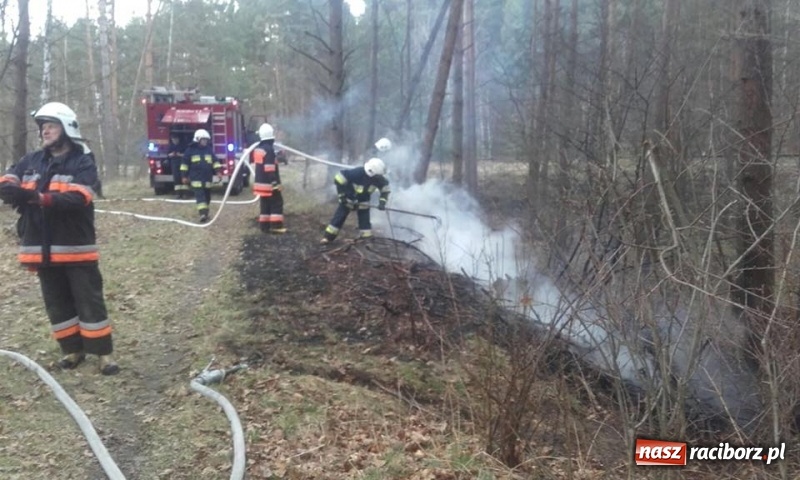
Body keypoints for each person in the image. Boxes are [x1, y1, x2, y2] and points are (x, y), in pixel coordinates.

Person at [0, 102, 119, 375]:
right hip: (40, 249)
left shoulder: (82, 162)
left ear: (67, 128)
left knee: (89, 301)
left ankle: (104, 355)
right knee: (57, 304)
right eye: (42, 127)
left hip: (75, 248)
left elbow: (79, 197)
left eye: (51, 126)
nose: (45, 131)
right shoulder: (31, 160)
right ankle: (73, 351)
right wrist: (11, 189)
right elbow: (9, 179)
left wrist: (39, 198)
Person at [321, 157, 390, 244]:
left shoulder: (379, 179)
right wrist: (342, 196)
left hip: (364, 201)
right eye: (377, 175)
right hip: (348, 199)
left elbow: (385, 190)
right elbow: (339, 179)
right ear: (371, 172)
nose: (379, 177)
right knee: (339, 217)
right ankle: (328, 238)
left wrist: (382, 202)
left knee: (364, 219)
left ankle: (366, 238)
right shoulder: (357, 173)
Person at [250, 123, 287, 233]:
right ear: (271, 137)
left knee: (265, 205)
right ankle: (276, 226)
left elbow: (264, 164)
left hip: (260, 184)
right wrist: (274, 183)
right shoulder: (269, 150)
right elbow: (269, 167)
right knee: (277, 203)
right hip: (269, 184)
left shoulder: (259, 149)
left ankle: (264, 226)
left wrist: (277, 157)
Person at [180, 129, 222, 223]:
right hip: (196, 179)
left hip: (207, 179)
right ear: (197, 139)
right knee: (200, 197)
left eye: (206, 140)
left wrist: (218, 172)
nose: (205, 142)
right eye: (203, 140)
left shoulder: (208, 150)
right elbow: (184, 164)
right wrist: (184, 176)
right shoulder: (190, 150)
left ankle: (205, 213)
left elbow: (215, 161)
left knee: (207, 198)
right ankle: (202, 213)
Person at [167, 132, 188, 199]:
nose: (174, 141)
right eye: (173, 139)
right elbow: (168, 155)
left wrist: (180, 154)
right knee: (176, 178)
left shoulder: (183, 146)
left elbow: (186, 155)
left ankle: (185, 193)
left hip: (182, 163)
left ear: (178, 139)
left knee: (183, 177)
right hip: (174, 163)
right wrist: (172, 154)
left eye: (175, 139)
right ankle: (178, 193)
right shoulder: (170, 146)